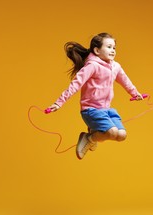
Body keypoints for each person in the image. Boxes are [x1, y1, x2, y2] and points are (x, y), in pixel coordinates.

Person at [48, 32, 144, 160]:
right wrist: (59, 103)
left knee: (121, 135)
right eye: (109, 47)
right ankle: (88, 138)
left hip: (107, 110)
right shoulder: (92, 66)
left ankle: (93, 134)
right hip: (90, 110)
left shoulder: (115, 66)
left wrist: (134, 93)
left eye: (114, 48)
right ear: (97, 50)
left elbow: (125, 80)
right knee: (112, 132)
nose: (113, 50)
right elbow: (75, 84)